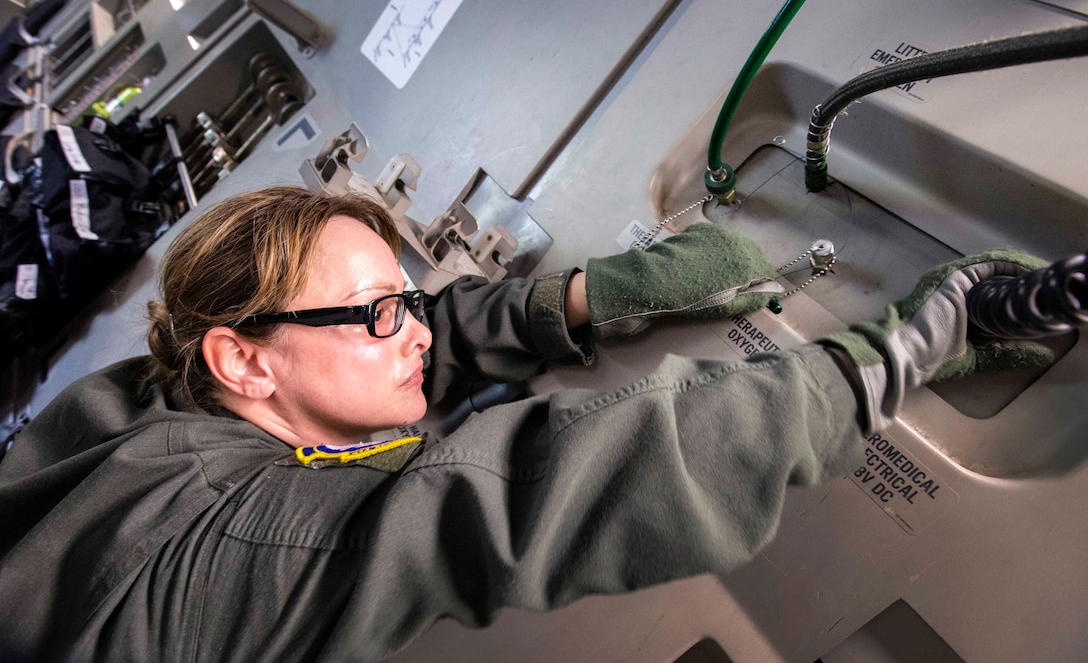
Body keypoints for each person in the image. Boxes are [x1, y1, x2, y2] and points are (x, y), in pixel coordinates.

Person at [0, 185, 1050, 661]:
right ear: (244, 357)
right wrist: (885, 359)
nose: (411, 324)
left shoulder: (155, 390)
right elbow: (532, 490)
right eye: (378, 310)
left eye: (402, 291)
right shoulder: (228, 544)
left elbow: (396, 348)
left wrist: (577, 299)